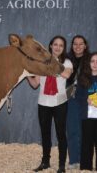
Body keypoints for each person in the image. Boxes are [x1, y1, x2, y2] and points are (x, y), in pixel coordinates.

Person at [27, 35, 73, 173]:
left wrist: (51, 64)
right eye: (55, 44)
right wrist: (27, 72)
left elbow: (66, 75)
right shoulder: (41, 62)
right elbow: (35, 84)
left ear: (63, 48)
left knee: (61, 134)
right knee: (45, 134)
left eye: (61, 45)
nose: (58, 47)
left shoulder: (67, 62)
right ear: (51, 46)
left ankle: (61, 166)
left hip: (60, 103)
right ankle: (45, 162)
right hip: (43, 102)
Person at [66, 35, 90, 169]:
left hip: (87, 98)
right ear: (72, 45)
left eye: (81, 44)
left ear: (85, 45)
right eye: (75, 44)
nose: (78, 46)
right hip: (71, 97)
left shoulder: (93, 58)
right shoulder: (66, 59)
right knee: (73, 129)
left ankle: (84, 160)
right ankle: (74, 160)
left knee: (86, 130)